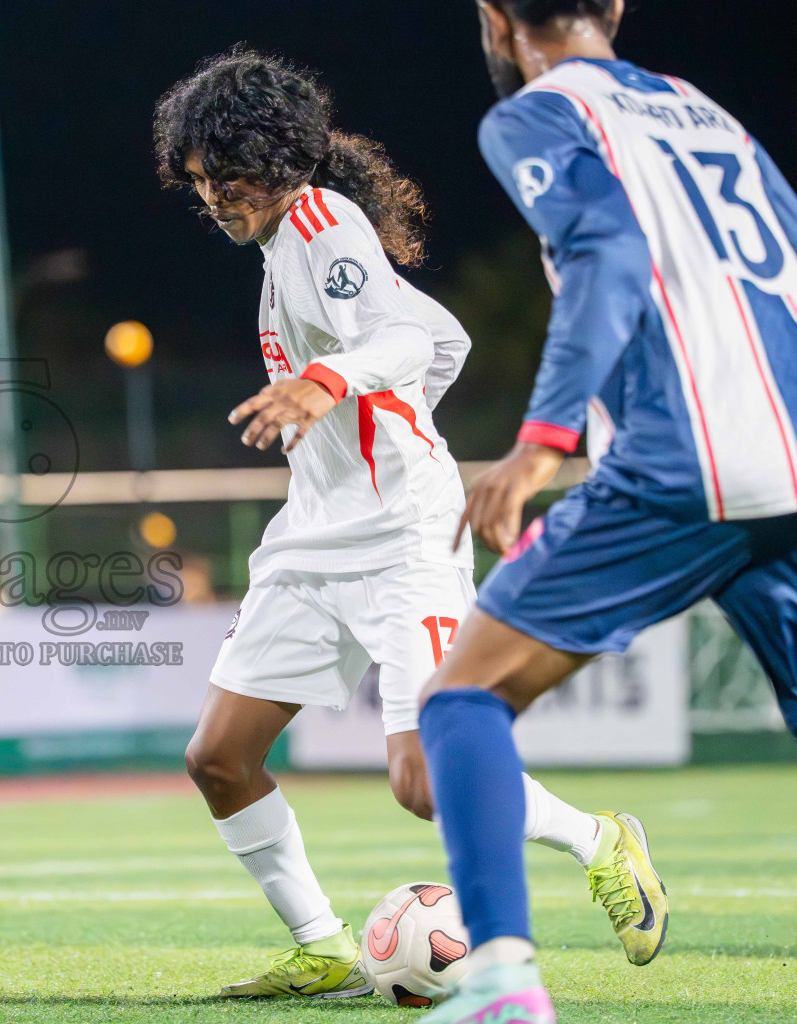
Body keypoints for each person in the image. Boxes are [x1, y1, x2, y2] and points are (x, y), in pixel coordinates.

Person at [152, 49, 661, 1001]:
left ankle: (602, 841)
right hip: (314, 534)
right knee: (219, 758)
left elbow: (394, 340)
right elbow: (440, 337)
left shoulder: (322, 223)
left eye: (229, 173)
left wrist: (330, 386)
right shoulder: (280, 249)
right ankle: (322, 944)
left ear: (279, 156)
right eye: (200, 181)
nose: (215, 195)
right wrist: (378, 412)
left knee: (422, 780)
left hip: (401, 538)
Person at [416, 2, 797, 1020]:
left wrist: (541, 445)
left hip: (687, 466)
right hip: (793, 462)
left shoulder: (539, 112)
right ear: (616, 6)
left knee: (461, 702)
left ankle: (502, 984)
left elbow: (611, 256)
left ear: (498, 20)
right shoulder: (708, 114)